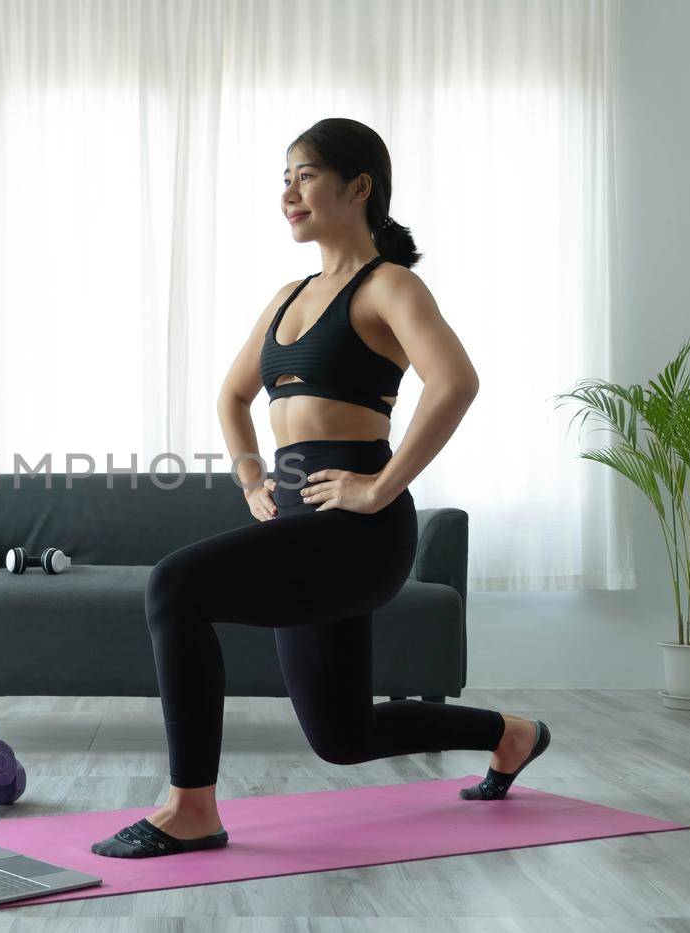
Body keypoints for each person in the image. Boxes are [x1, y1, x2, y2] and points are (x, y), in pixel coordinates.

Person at [91, 118, 550, 859]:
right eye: (284, 177)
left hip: (361, 533)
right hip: (300, 523)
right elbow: (233, 397)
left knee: (174, 586)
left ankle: (191, 807)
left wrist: (379, 487)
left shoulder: (390, 285)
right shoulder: (287, 295)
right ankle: (512, 734)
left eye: (303, 175)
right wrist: (251, 479)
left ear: (358, 186)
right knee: (344, 737)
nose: (288, 192)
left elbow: (456, 381)